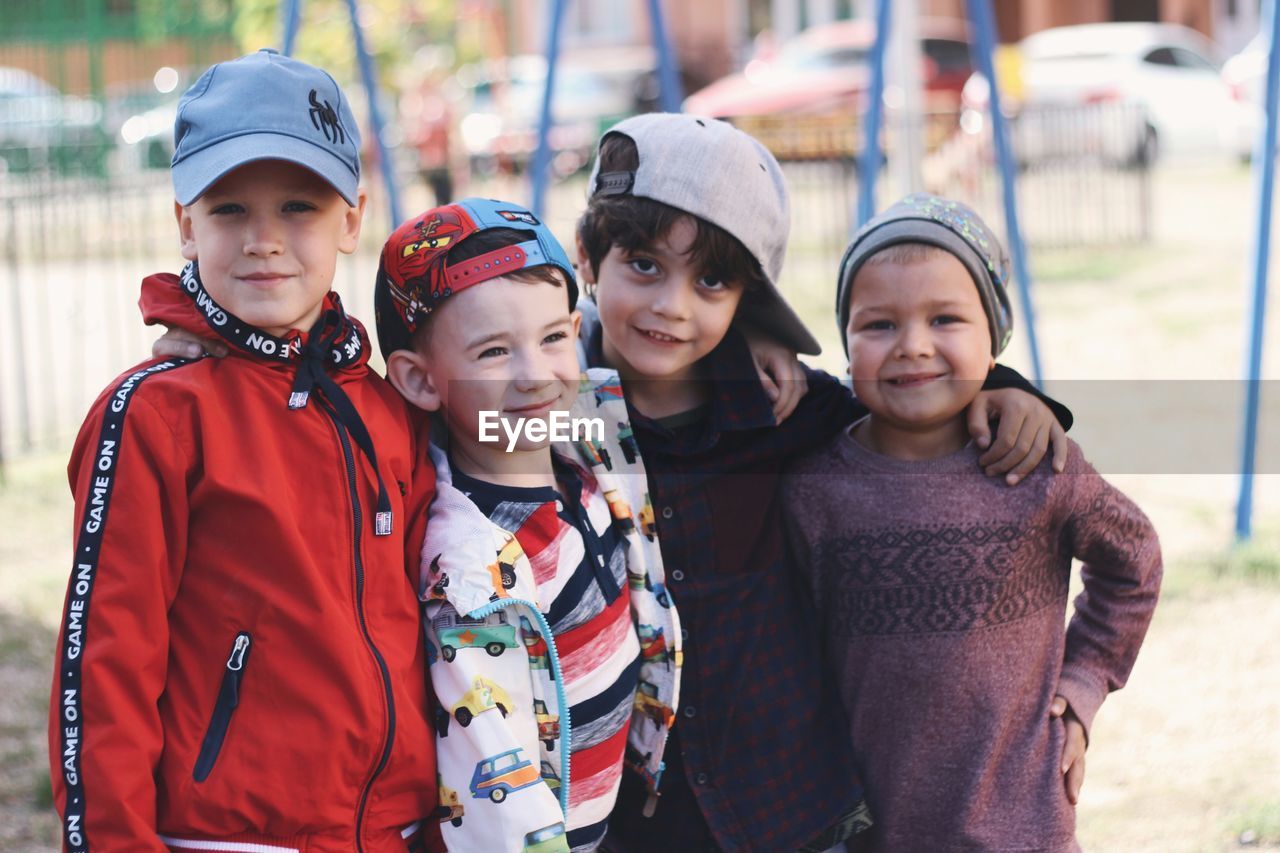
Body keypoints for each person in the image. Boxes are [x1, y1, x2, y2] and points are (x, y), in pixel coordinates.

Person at [572, 114, 1075, 851]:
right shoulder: (549, 414)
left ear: (746, 297)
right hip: (636, 816)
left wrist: (1004, 387)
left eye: (711, 278)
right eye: (643, 263)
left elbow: (910, 397)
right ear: (588, 257)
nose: (672, 304)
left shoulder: (784, 408)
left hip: (788, 803)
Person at [47, 50, 439, 852]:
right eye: (230, 210)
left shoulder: (388, 405)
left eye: (298, 205)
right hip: (234, 833)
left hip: (398, 828)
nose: (264, 240)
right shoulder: (154, 414)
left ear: (353, 218)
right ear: (186, 222)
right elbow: (105, 664)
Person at [783, 194, 1162, 851]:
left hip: (1024, 829)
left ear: (995, 343)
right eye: (878, 324)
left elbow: (1135, 561)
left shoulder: (1037, 464)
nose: (913, 346)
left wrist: (1083, 682)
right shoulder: (813, 491)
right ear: (844, 343)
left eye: (946, 318)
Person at [374, 198, 680, 852]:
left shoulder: (587, 433)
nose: (536, 374)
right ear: (420, 381)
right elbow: (496, 797)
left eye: (551, 338)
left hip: (616, 815)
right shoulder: (474, 576)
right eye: (491, 352)